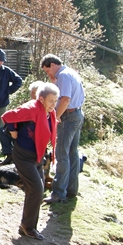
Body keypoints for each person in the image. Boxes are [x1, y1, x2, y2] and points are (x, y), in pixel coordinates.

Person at [2, 83, 59, 240]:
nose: (54, 105)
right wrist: (13, 131)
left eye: (56, 101)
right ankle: (28, 227)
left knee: (36, 191)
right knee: (37, 189)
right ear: (41, 99)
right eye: (51, 101)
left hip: (38, 156)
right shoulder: (31, 108)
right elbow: (8, 116)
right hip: (24, 155)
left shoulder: (49, 112)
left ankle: (26, 225)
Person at [40, 55, 86, 204]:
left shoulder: (64, 76)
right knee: (73, 153)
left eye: (48, 71)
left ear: (53, 64)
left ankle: (58, 192)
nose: (49, 75)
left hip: (68, 117)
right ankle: (71, 190)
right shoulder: (70, 72)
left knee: (61, 154)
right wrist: (54, 81)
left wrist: (56, 117)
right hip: (77, 114)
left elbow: (65, 99)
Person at [0, 80, 44, 166]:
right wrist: (13, 130)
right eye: (32, 92)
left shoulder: (44, 107)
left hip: (31, 136)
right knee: (2, 131)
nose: (32, 95)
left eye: (34, 93)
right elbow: (10, 116)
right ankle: (9, 155)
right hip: (20, 130)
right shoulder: (28, 105)